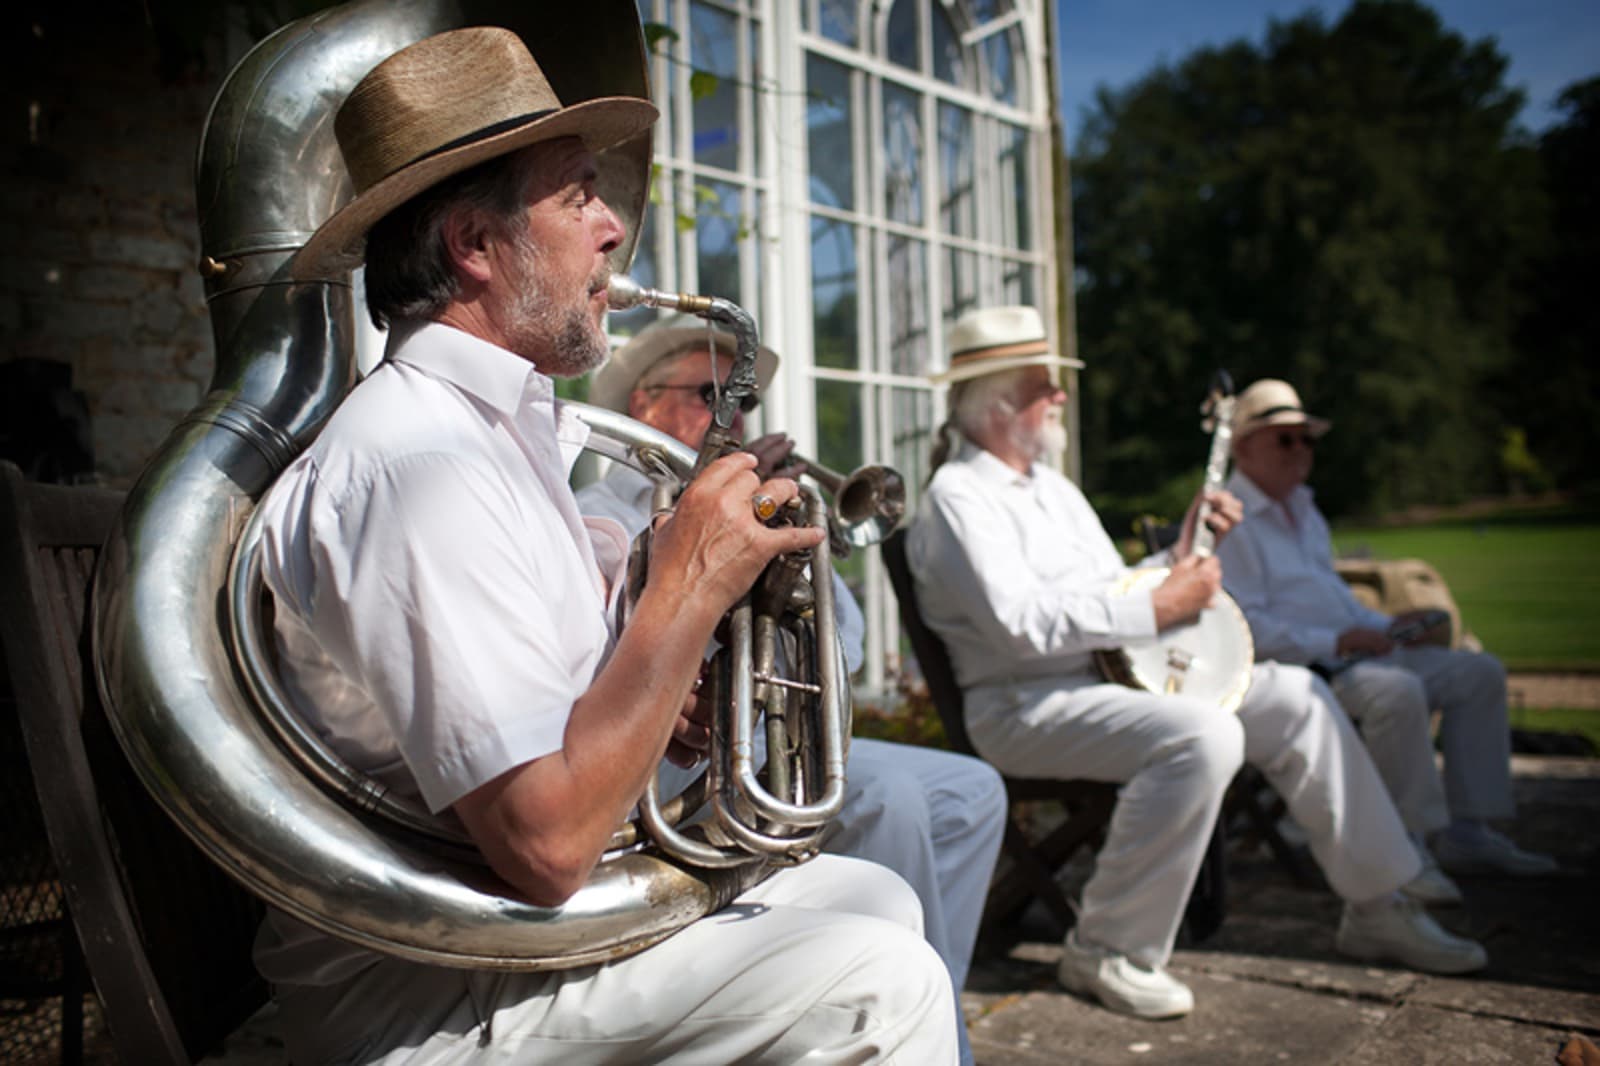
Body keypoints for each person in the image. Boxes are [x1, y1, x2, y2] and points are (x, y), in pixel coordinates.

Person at [254, 28, 957, 1064]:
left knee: (877, 893)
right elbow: (545, 843)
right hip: (431, 983)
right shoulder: (416, 465)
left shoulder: (496, 435)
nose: (614, 227)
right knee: (878, 984)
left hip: (510, 941)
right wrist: (687, 584)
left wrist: (654, 687)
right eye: (578, 195)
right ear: (474, 246)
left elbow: (555, 736)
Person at [905, 305, 1489, 1021]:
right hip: (1023, 707)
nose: (1060, 396)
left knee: (1294, 695)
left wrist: (1181, 551)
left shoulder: (1050, 489)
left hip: (1103, 685)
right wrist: (1158, 607)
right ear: (996, 400)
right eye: (1044, 385)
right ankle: (1108, 946)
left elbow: (1110, 590)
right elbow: (1020, 627)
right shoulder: (957, 499)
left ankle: (1376, 904)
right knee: (1202, 734)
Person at [578, 316, 1009, 1066]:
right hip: (689, 764)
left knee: (971, 792)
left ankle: (929, 1011)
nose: (736, 419)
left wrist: (790, 554)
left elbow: (847, 642)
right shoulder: (604, 513)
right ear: (645, 405)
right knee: (893, 800)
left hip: (777, 735)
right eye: (712, 394)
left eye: (743, 402)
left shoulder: (762, 507)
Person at [1216, 378, 1557, 879]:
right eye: (1285, 438)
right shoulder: (1231, 518)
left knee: (1479, 672)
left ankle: (1469, 831)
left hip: (1353, 655)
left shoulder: (1303, 509)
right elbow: (1242, 626)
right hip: (1302, 671)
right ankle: (1405, 846)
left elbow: (1334, 600)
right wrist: (1336, 642)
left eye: (1307, 438)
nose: (1301, 450)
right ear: (1244, 447)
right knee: (1396, 692)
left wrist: (1390, 625)